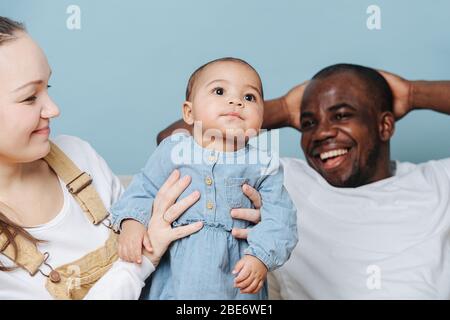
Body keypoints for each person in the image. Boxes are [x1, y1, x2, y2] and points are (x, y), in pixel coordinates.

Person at [0, 16, 254, 300]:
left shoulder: (78, 156)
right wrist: (145, 258)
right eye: (29, 98)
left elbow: (144, 206)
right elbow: (149, 249)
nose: (53, 109)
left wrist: (237, 214)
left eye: (48, 88)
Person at [158, 63, 450, 299]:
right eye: (309, 123)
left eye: (341, 115)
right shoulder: (280, 179)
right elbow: (176, 141)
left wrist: (413, 94)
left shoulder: (438, 180)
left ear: (384, 125)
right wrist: (284, 107)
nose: (321, 133)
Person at [111, 57, 298, 300]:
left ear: (262, 117)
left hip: (235, 281)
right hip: (175, 278)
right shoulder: (173, 150)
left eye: (249, 97)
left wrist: (260, 256)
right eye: (219, 91)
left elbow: (282, 218)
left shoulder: (264, 165)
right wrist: (133, 223)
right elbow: (145, 188)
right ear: (189, 112)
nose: (236, 101)